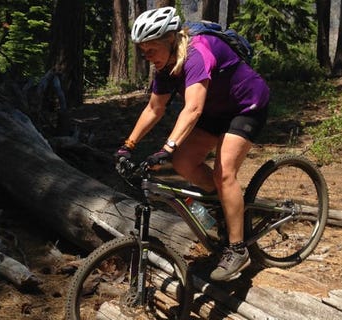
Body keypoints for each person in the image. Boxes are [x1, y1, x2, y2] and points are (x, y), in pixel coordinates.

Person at [115, 6, 270, 282]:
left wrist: (167, 146)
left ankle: (238, 249)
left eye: (151, 50)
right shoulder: (164, 67)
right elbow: (154, 108)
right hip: (216, 111)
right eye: (143, 51)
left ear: (170, 40)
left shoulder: (197, 53)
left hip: (246, 106)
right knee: (182, 163)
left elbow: (193, 109)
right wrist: (128, 145)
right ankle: (224, 207)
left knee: (224, 174)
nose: (147, 57)